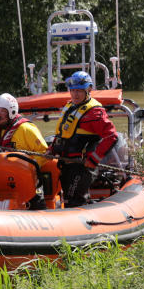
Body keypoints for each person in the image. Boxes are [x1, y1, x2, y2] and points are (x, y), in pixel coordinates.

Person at [46, 71, 118, 207]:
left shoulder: (95, 112)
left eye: (79, 90)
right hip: (66, 163)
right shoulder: (70, 106)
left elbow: (111, 136)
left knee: (75, 202)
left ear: (89, 89)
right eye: (72, 90)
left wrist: (94, 158)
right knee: (67, 199)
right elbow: (63, 134)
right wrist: (52, 149)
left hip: (81, 166)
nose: (75, 94)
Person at [0, 93, 49, 165]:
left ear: (12, 112)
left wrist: (25, 165)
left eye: (2, 111)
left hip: (22, 172)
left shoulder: (26, 129)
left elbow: (44, 153)